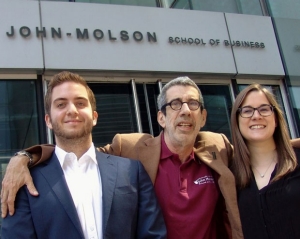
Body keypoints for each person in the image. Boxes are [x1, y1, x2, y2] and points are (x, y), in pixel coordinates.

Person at [1, 71, 166, 239]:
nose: (72, 110)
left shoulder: (132, 171)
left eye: (80, 103)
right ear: (48, 120)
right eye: (60, 105)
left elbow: (153, 235)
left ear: (94, 117)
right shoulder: (25, 182)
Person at [230, 83, 300, 239]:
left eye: (264, 109)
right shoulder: (230, 176)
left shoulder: (297, 160)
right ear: (237, 121)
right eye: (247, 111)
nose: (256, 116)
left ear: (275, 119)